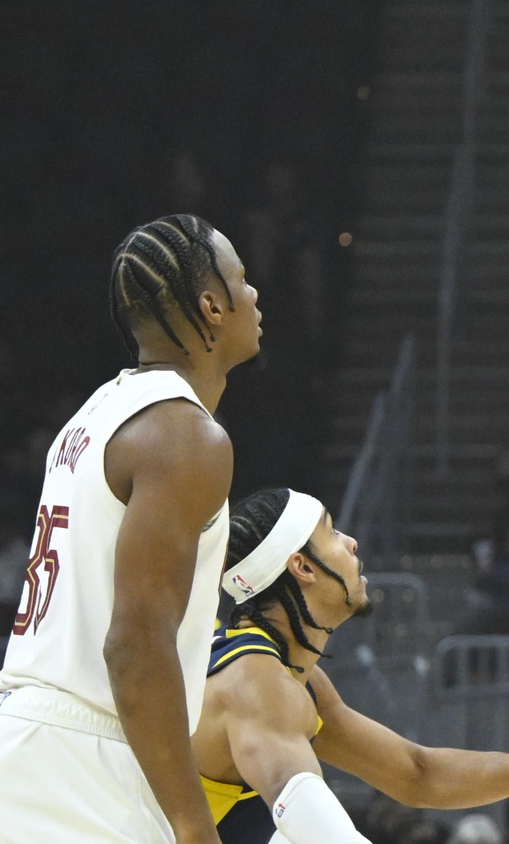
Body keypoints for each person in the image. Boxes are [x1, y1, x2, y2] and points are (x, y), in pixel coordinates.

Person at [0, 216, 262, 844]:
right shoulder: (186, 436)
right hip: (89, 759)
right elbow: (136, 644)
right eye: (241, 279)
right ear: (211, 307)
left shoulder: (94, 416)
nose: (254, 293)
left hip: (34, 739)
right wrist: (194, 822)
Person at [190, 488, 509, 842]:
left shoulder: (296, 679)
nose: (350, 542)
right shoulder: (254, 682)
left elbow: (417, 775)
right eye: (330, 532)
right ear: (302, 566)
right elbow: (305, 812)